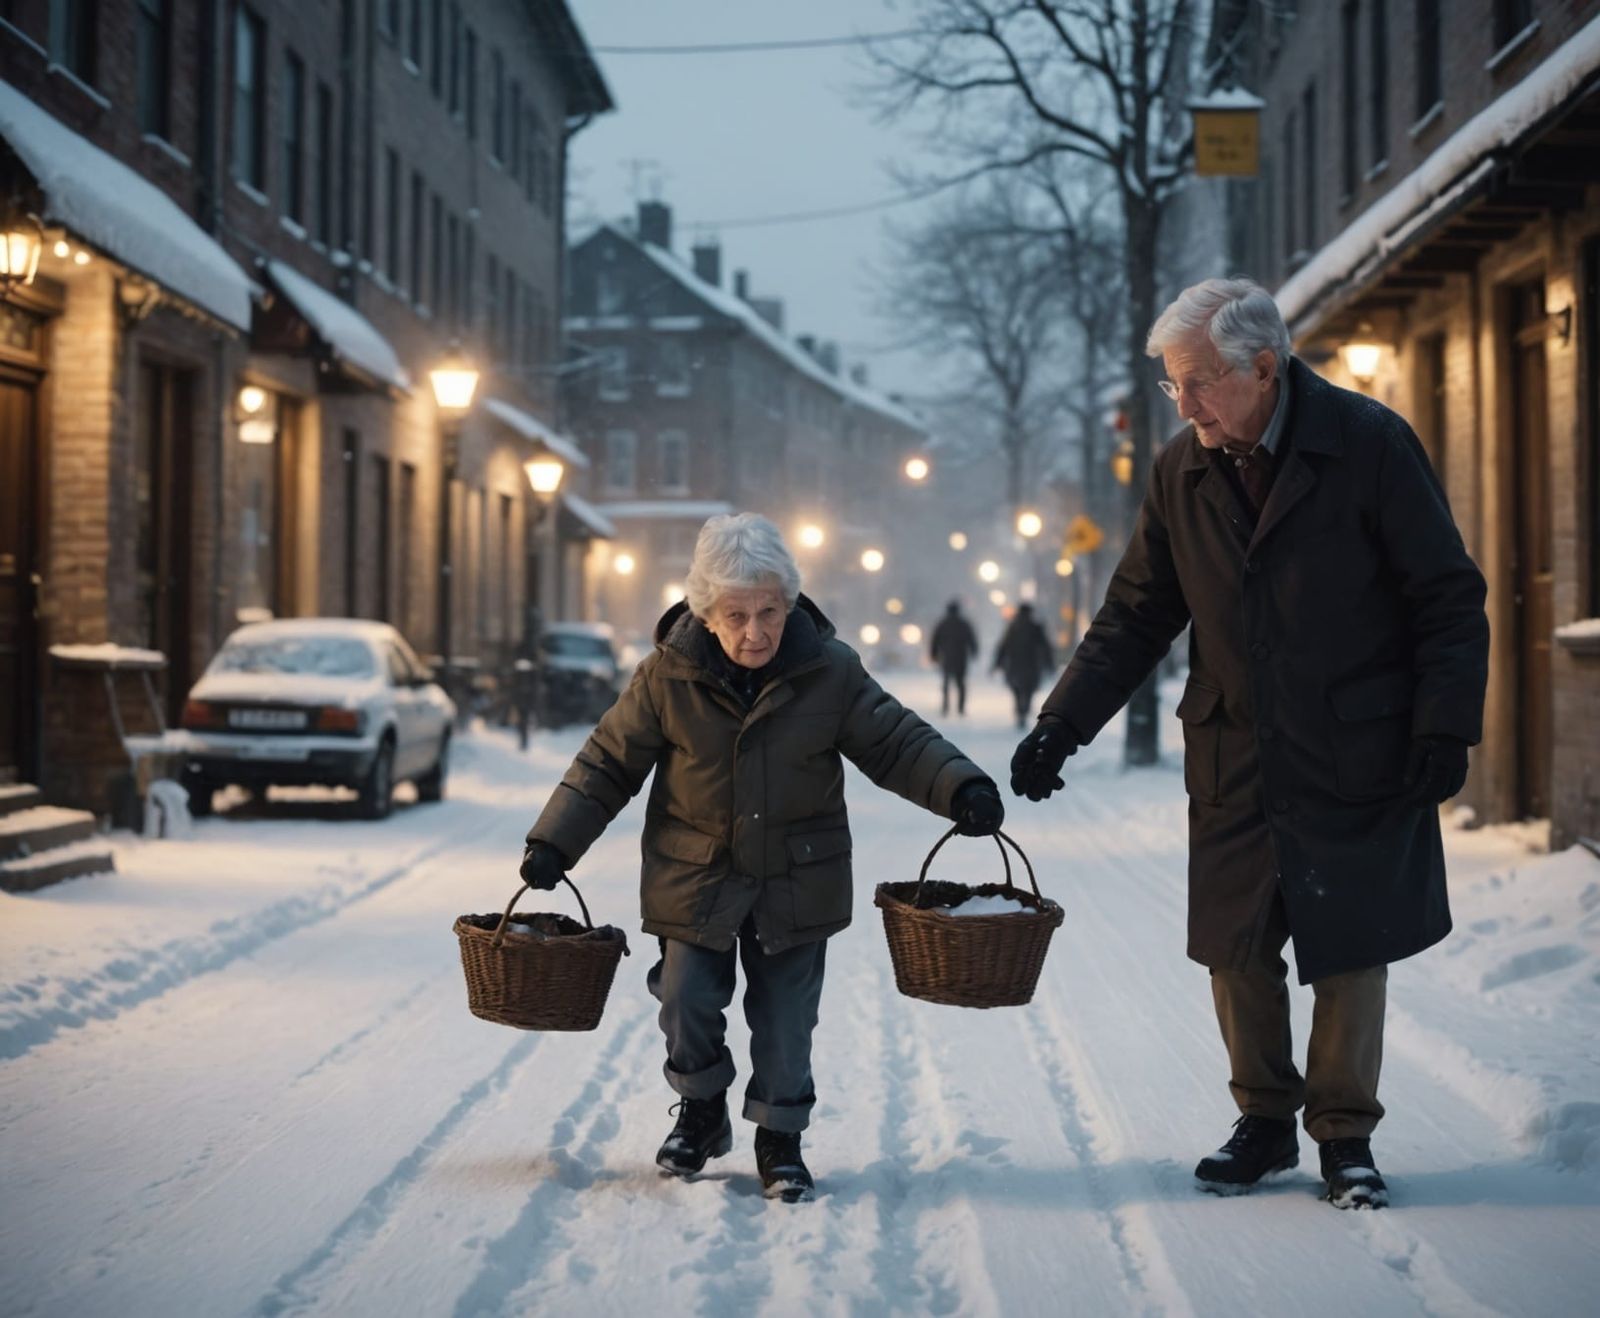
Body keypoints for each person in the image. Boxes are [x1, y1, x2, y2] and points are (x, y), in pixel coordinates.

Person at [1009, 278, 1488, 1210]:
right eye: (1171, 387)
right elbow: (1137, 613)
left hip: (1354, 745)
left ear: (1263, 369)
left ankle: (1345, 1134)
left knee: (1349, 943)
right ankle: (1264, 1119)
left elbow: (1446, 598)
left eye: (1197, 382)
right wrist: (1061, 723)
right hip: (1235, 746)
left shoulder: (1369, 445)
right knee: (1237, 947)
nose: (1183, 404)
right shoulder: (1180, 469)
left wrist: (1444, 726)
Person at [519, 513, 1003, 1202]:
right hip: (696, 875)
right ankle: (702, 1107)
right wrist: (553, 842)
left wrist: (963, 788)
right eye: (737, 615)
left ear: (790, 602)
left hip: (796, 877)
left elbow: (896, 741)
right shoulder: (666, 676)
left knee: (784, 1020)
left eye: (770, 611)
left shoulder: (828, 671)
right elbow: (606, 763)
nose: (756, 632)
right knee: (686, 999)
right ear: (706, 613)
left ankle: (779, 1138)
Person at [992, 602, 1054, 729]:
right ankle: (1024, 711)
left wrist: (997, 663)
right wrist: (1049, 663)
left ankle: (1020, 711)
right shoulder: (1036, 627)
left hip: (1015, 665)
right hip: (1032, 665)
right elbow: (1045, 647)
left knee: (1017, 690)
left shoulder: (1013, 627)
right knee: (1028, 690)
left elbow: (1003, 646)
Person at [929, 598, 979, 715]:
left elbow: (935, 641)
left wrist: (934, 655)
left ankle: (945, 707)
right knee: (960, 683)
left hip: (946, 658)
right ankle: (960, 708)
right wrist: (974, 652)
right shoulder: (963, 624)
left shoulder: (942, 624)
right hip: (961, 658)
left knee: (946, 683)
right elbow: (971, 640)